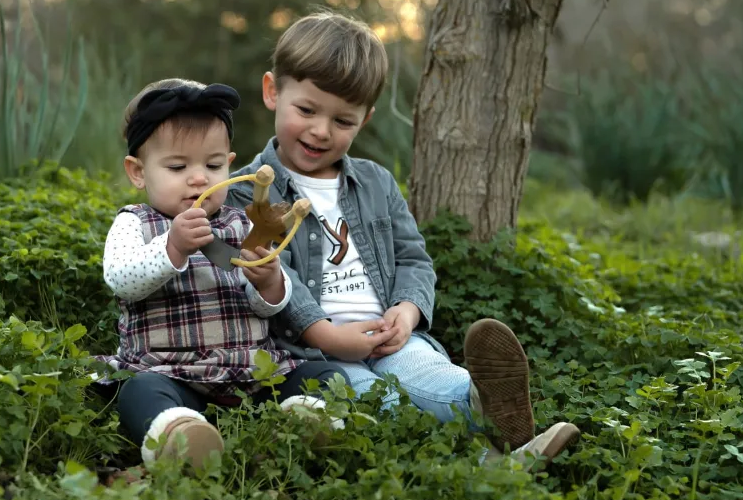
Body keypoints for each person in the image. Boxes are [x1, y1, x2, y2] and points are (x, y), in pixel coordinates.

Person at [224, 11, 580, 470]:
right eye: (307, 110)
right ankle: (492, 462)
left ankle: (485, 403)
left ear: (365, 119)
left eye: (343, 121)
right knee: (370, 402)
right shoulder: (248, 189)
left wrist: (408, 313)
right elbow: (271, 277)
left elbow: (414, 259)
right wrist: (329, 335)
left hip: (390, 336)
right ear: (273, 91)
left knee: (433, 378)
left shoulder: (375, 183)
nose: (321, 131)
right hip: (311, 351)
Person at [92, 77, 347, 471]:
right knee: (139, 391)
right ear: (138, 173)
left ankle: (293, 427)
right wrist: (172, 248)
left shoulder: (243, 223)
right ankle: (180, 434)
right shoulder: (135, 224)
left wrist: (269, 285)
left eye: (212, 165)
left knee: (326, 375)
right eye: (178, 166)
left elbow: (265, 309)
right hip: (172, 372)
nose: (198, 178)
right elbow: (122, 279)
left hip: (253, 373)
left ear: (229, 164)